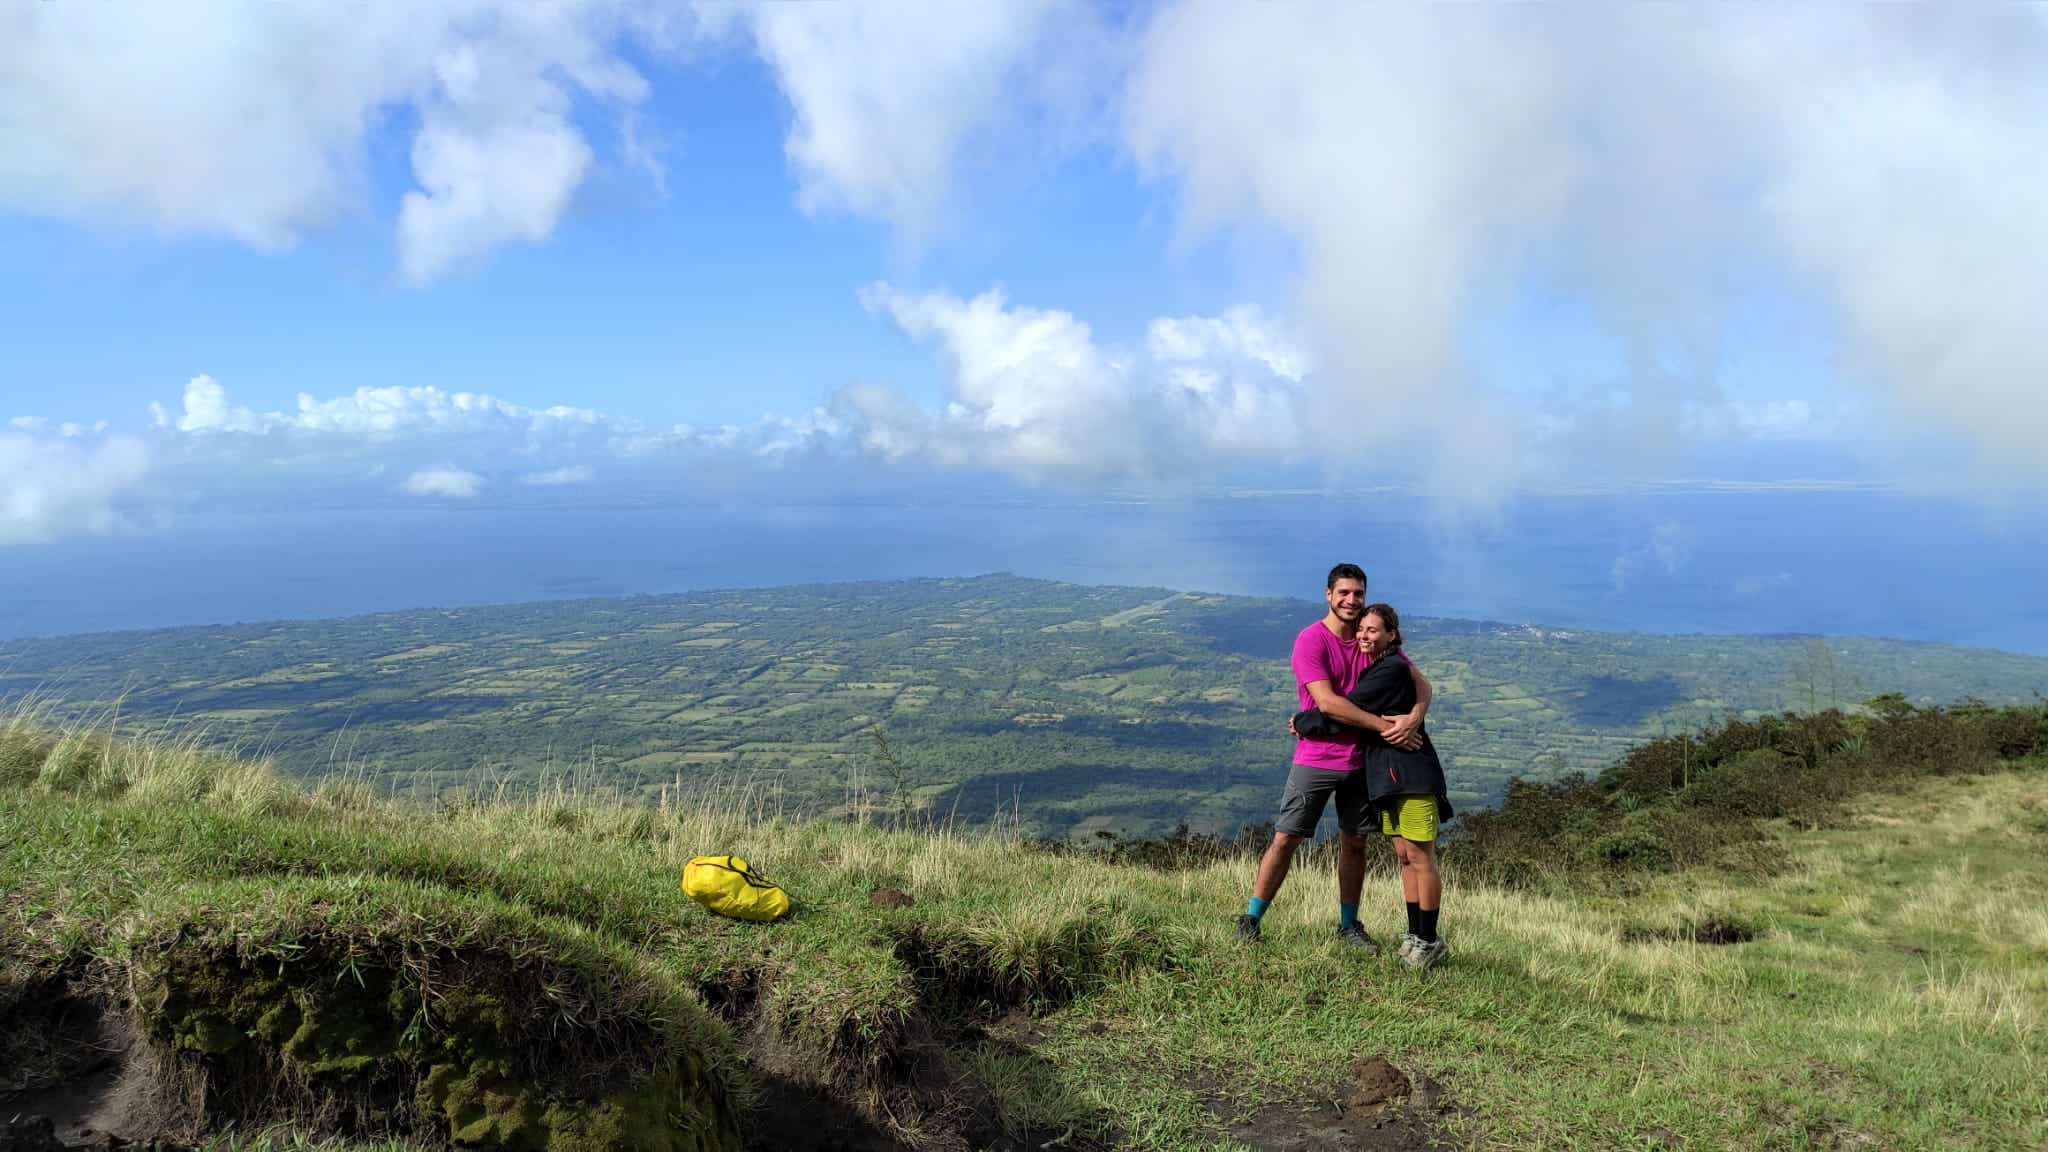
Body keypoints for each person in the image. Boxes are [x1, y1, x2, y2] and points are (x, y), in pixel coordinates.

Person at [1237, 565, 1423, 950]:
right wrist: (1384, 726)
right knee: (1287, 837)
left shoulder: (1370, 638)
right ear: (1328, 595)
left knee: (1355, 842)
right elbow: (1328, 704)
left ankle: (1348, 926)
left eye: (1358, 594)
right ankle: (1251, 918)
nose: (1351, 601)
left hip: (1362, 762)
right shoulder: (1311, 641)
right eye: (1344, 593)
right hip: (1316, 759)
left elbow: (1422, 684)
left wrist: (1413, 718)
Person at [1292, 603, 1453, 968]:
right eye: (1362, 629)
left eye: (1373, 630)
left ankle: (1428, 940)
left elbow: (1342, 710)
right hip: (1389, 778)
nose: (1364, 635)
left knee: (1421, 857)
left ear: (1391, 635)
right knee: (1405, 857)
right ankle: (1416, 934)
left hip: (1411, 775)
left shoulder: (1391, 668)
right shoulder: (1383, 666)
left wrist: (1302, 722)